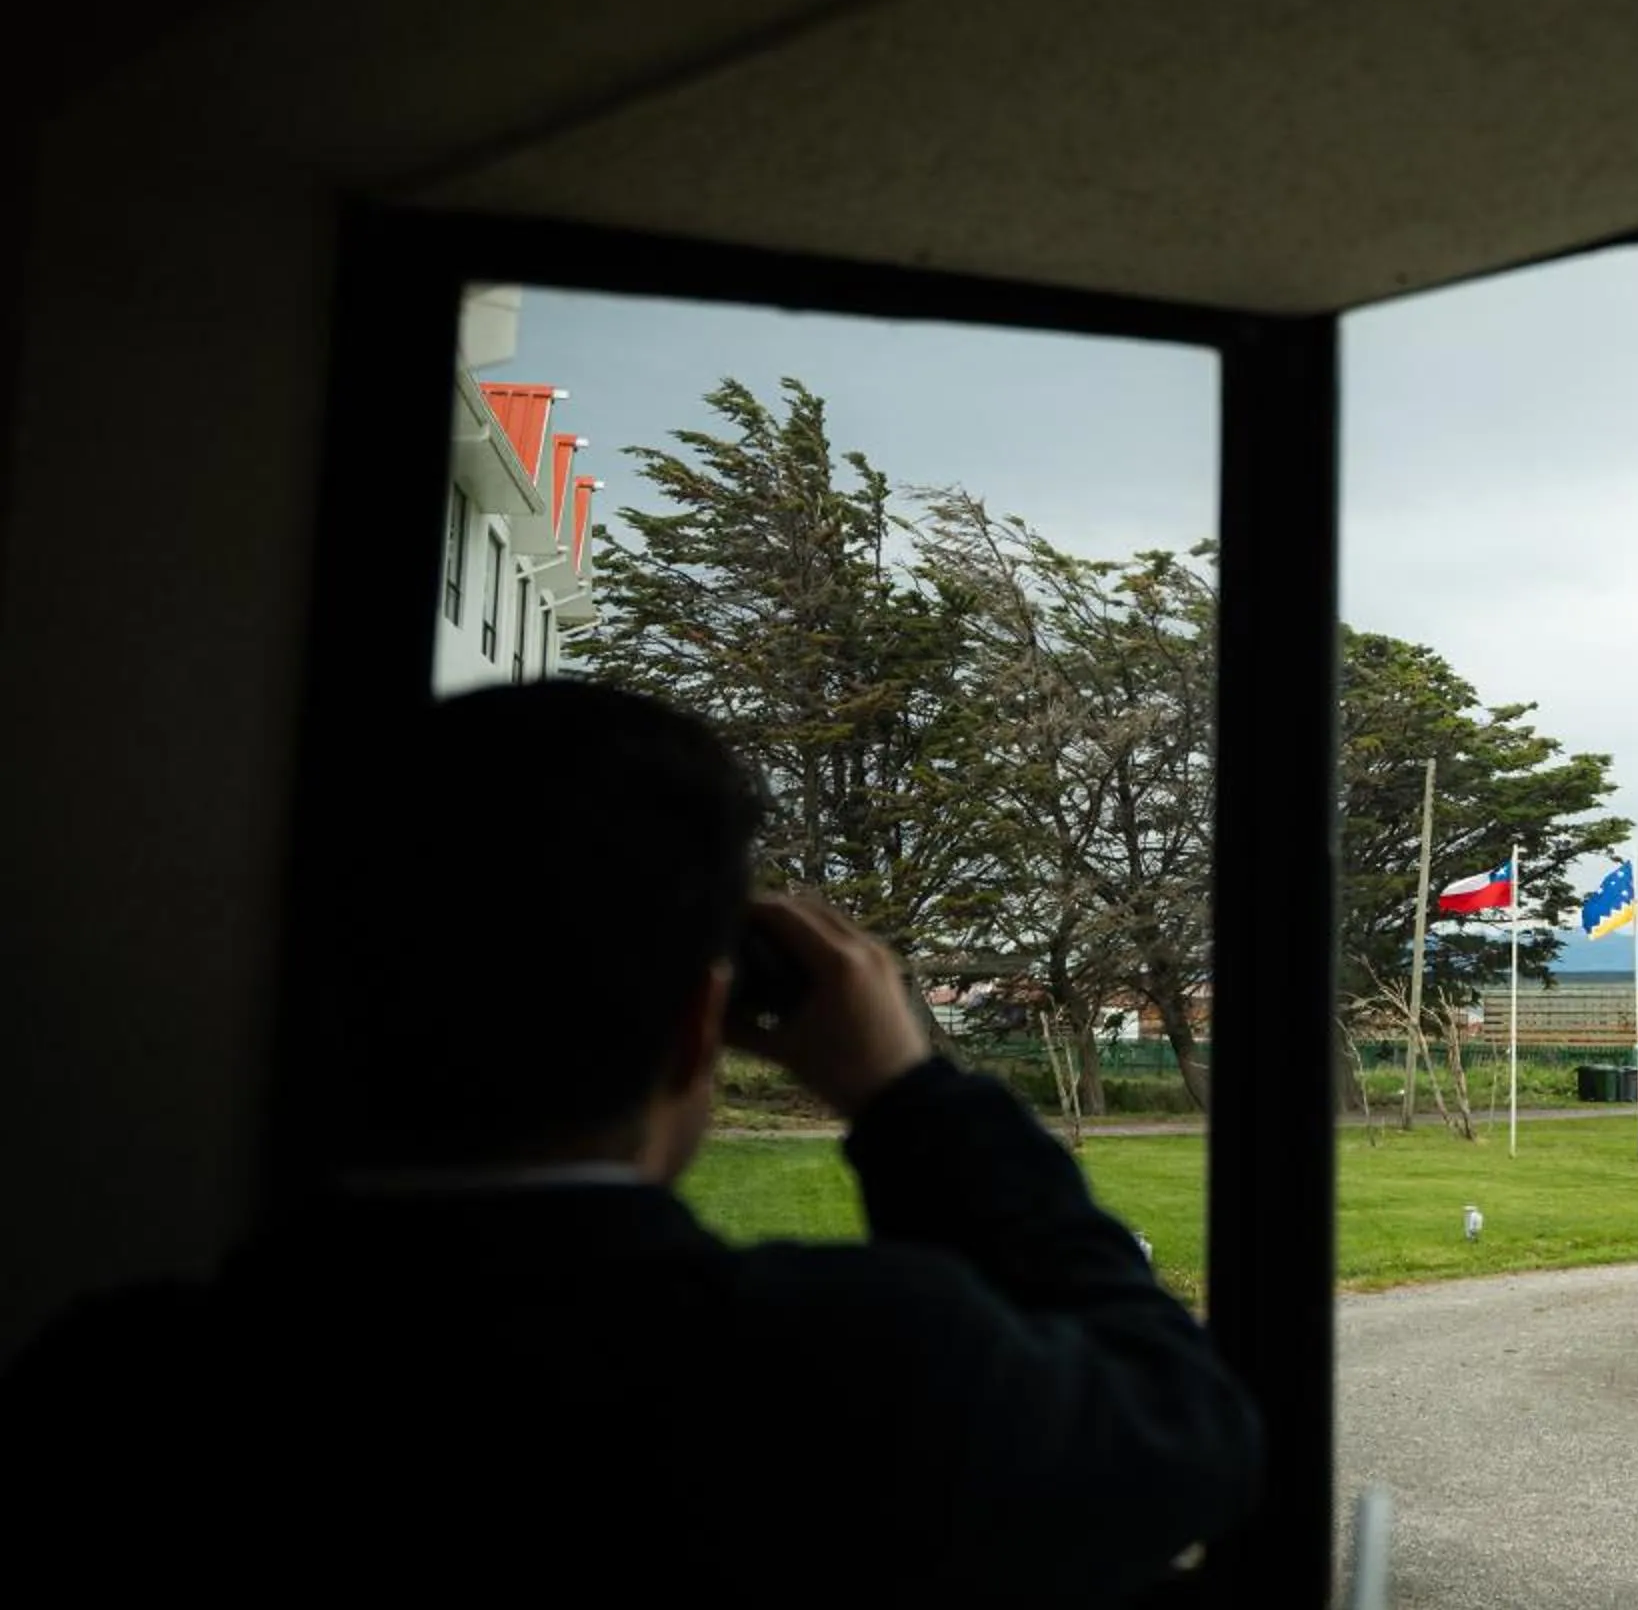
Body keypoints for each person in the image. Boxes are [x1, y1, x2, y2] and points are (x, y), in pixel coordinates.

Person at [0, 682, 1261, 1602]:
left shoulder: (112, 1399)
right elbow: (1185, 1427)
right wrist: (910, 1090)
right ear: (700, 1023)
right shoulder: (868, 1374)